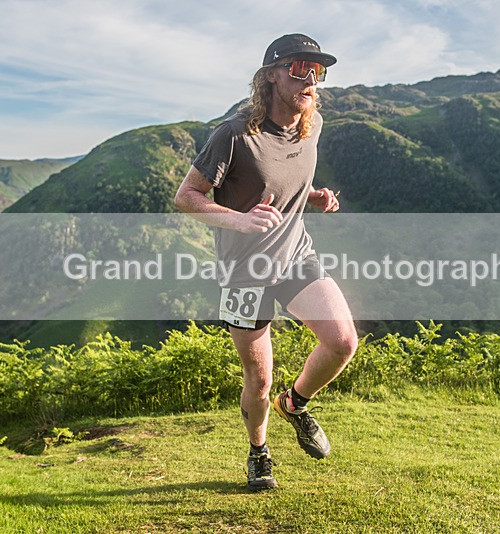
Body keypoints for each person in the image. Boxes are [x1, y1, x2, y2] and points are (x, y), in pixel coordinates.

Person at [174, 33, 358, 491]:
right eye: (299, 68)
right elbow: (186, 197)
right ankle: (259, 452)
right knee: (257, 380)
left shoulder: (310, 127)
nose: (310, 79)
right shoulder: (233, 134)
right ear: (271, 76)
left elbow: (288, 180)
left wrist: (313, 196)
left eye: (317, 71)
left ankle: (294, 404)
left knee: (342, 342)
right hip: (245, 271)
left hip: (296, 254)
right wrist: (238, 220)